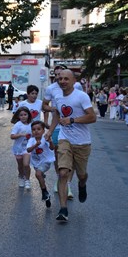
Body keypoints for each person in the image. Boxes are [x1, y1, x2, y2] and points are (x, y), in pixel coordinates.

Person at [45, 69, 96, 222]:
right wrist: (50, 131)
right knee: (62, 173)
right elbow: (57, 115)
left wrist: (73, 120)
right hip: (64, 139)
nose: (62, 81)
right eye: (60, 78)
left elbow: (92, 117)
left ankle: (82, 184)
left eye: (66, 79)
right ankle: (63, 209)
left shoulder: (81, 96)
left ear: (74, 81)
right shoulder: (58, 97)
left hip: (82, 142)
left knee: (81, 175)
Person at [42, 66, 83, 197]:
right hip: (57, 126)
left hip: (72, 127)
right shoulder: (50, 88)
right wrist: (54, 109)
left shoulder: (77, 87)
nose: (61, 79)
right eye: (58, 76)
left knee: (70, 156)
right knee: (58, 155)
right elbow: (44, 105)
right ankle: (61, 178)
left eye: (64, 76)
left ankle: (67, 184)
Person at [26, 120, 55, 208]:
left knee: (38, 174)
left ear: (43, 131)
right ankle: (47, 196)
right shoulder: (31, 140)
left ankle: (44, 192)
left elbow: (52, 148)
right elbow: (28, 150)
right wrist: (35, 145)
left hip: (45, 161)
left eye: (39, 129)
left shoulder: (45, 138)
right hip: (36, 163)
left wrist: (50, 141)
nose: (36, 131)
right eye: (34, 129)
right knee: (39, 175)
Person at [10, 107, 32, 189]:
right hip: (18, 148)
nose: (23, 116)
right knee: (20, 165)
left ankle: (27, 180)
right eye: (21, 115)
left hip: (27, 148)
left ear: (28, 115)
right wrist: (21, 135)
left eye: (25, 114)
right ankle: (21, 176)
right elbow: (12, 136)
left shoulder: (31, 124)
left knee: (26, 164)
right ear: (18, 116)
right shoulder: (17, 125)